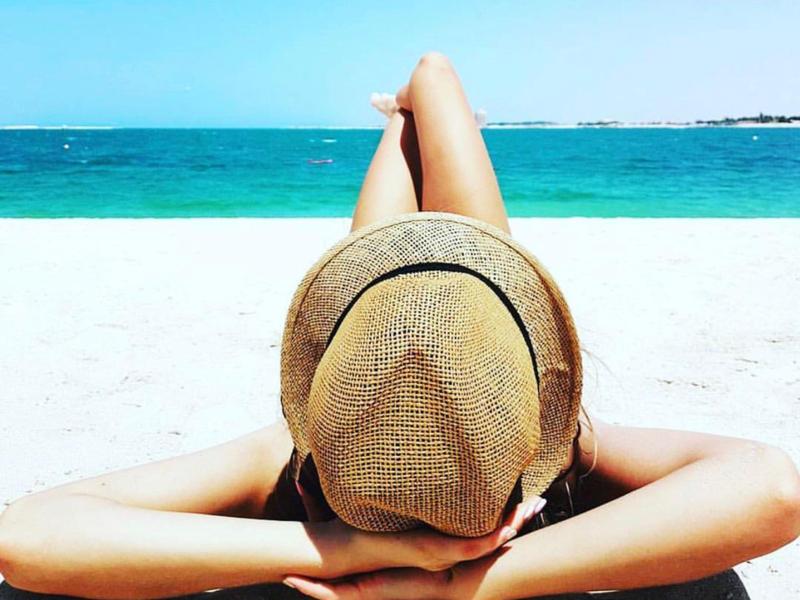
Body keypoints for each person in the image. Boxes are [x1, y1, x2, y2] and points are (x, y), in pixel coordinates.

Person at [0, 52, 798, 600]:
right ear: (532, 407)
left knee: (393, 285)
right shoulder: (559, 452)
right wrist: (467, 583)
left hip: (426, 346)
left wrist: (351, 548)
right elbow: (773, 486)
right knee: (435, 83)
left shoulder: (291, 457)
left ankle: (402, 112)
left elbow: (27, 538)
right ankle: (419, 94)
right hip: (469, 345)